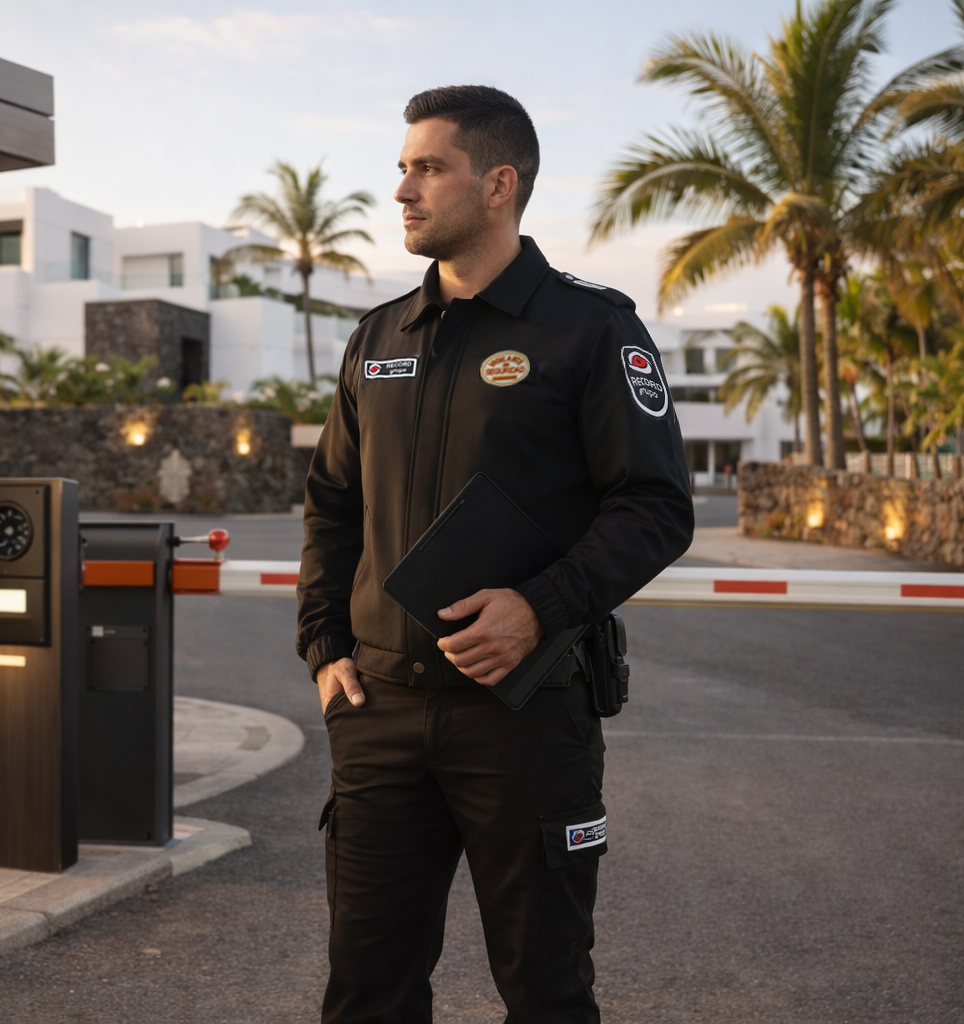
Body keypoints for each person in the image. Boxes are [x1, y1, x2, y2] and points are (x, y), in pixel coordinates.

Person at [297, 85, 694, 1023]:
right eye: (402, 167)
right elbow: (329, 506)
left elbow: (655, 506)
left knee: (547, 991)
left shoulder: (589, 328)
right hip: (379, 715)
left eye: (428, 167)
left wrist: (541, 606)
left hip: (526, 717)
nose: (403, 189)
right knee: (365, 994)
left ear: (500, 184)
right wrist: (325, 651)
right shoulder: (378, 337)